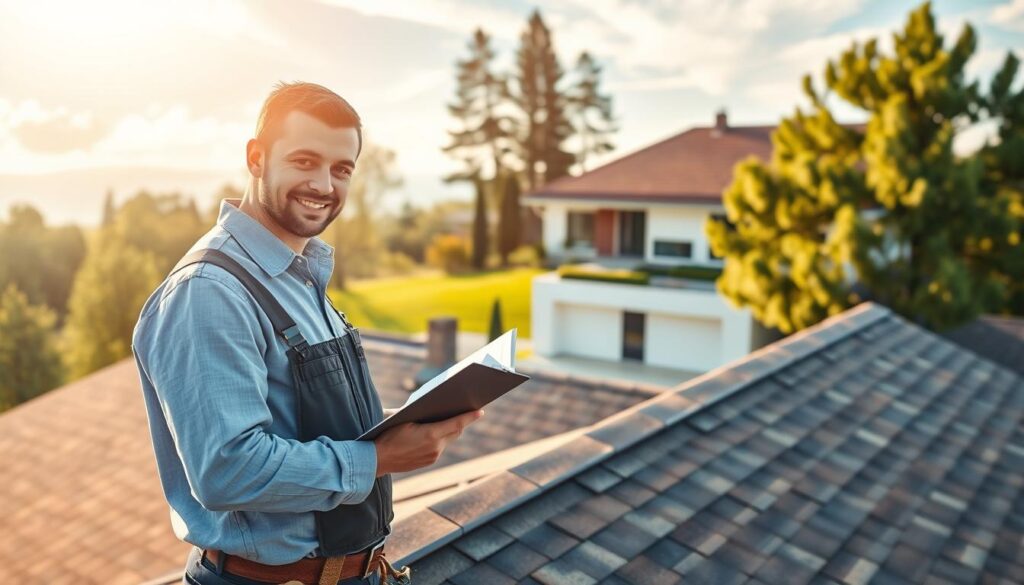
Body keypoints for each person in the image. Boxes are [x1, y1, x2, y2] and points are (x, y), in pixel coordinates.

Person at [132, 81, 483, 585]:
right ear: (256, 158)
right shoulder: (209, 292)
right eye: (304, 161)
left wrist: (402, 426)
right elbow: (227, 469)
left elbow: (298, 421)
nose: (324, 185)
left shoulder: (303, 274)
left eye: (342, 169)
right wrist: (379, 457)